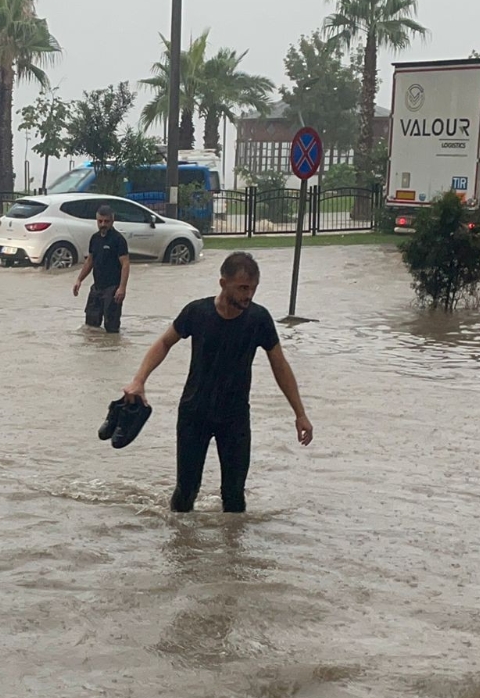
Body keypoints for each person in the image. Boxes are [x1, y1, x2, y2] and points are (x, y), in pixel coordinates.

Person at [121, 252, 313, 513]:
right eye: (243, 288)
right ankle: (181, 547)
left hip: (234, 418)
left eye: (253, 289)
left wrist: (300, 413)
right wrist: (139, 380)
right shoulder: (197, 312)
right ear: (223, 283)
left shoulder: (259, 319)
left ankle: (233, 552)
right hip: (194, 412)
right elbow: (165, 342)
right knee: (186, 491)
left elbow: (279, 364)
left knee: (234, 496)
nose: (248, 295)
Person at [72, 205, 130, 333]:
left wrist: (122, 288)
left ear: (112, 221)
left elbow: (125, 264)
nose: (103, 224)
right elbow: (90, 261)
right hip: (97, 288)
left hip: (113, 289)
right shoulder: (95, 238)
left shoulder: (118, 240)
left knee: (111, 329)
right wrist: (79, 280)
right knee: (91, 327)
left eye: (106, 221)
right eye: (100, 221)